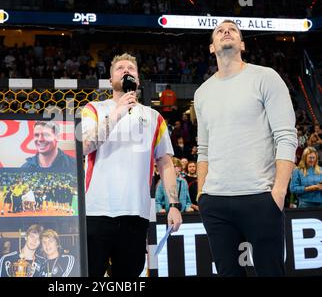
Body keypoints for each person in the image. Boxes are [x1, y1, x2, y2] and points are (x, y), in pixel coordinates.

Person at [194, 20, 297, 277]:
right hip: (215, 202)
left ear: (242, 44)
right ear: (211, 47)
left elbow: (286, 136)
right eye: (219, 30)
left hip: (260, 198)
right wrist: (201, 194)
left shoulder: (266, 77)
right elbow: (203, 149)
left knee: (271, 273)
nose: (226, 31)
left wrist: (278, 193)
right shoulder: (202, 92)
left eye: (233, 30)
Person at [81, 53, 182, 277]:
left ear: (138, 78)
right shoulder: (94, 108)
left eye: (131, 68)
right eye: (120, 68)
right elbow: (85, 145)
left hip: (136, 213)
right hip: (96, 211)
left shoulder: (154, 117)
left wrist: (174, 204)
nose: (126, 70)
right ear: (110, 80)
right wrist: (117, 112)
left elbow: (165, 162)